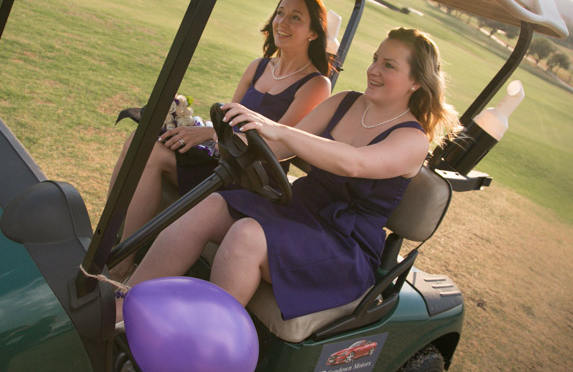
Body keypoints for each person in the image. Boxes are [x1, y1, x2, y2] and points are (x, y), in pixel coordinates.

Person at [117, 28, 460, 323]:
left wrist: (278, 129)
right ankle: (124, 302)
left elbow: (354, 163)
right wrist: (224, 134)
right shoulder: (345, 102)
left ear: (416, 81)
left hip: (343, 244)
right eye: (375, 59)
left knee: (247, 235)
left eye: (389, 65)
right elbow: (278, 148)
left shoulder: (412, 139)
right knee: (209, 205)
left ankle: (200, 344)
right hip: (298, 209)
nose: (373, 70)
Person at [108, 0, 333, 281]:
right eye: (280, 13)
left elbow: (278, 142)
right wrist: (202, 131)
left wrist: (210, 133)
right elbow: (225, 122)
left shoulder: (316, 84)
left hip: (252, 180)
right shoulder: (259, 66)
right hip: (223, 161)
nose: (282, 22)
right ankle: (111, 246)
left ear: (313, 32)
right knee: (141, 145)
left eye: (296, 18)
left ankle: (121, 266)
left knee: (155, 153)